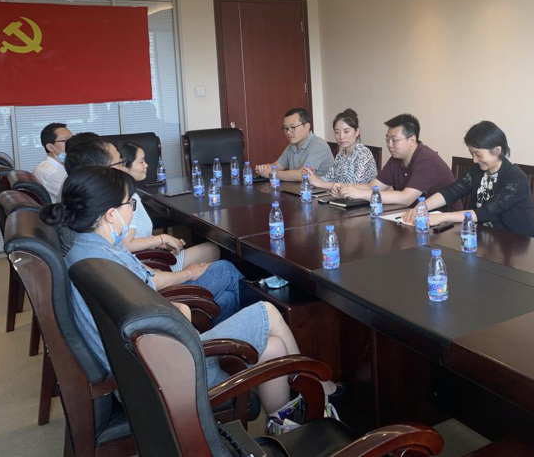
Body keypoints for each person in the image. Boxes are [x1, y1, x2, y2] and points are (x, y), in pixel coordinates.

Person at [40, 166, 338, 412]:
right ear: (110, 214)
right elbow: (160, 314)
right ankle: (320, 389)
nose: (132, 210)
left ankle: (285, 420)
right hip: (165, 372)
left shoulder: (86, 252)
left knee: (273, 348)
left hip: (143, 367)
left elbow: (145, 305)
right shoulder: (103, 264)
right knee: (268, 311)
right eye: (130, 204)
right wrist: (181, 309)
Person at [65, 135, 242, 323]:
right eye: (130, 204)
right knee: (227, 270)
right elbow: (149, 284)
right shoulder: (105, 254)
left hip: (149, 298)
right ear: (111, 214)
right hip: (158, 311)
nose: (122, 167)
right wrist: (188, 272)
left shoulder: (90, 243)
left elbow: (141, 273)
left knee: (227, 298)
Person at [401, 121, 534, 237]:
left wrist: (442, 217)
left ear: (497, 151)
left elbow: (485, 213)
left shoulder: (516, 179)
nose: (474, 160)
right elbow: (451, 192)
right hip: (486, 240)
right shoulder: (478, 171)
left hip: (518, 245)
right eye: (472, 154)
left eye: (478, 155)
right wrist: (422, 207)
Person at [115, 141, 220, 268]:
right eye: (141, 162)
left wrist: (162, 244)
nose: (146, 165)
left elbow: (136, 236)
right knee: (213, 250)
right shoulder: (128, 200)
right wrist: (162, 238)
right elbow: (127, 244)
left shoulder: (124, 194)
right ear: (124, 167)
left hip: (149, 257)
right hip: (147, 266)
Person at [332, 113, 455, 208]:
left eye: (394, 140)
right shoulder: (396, 159)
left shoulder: (427, 160)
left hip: (443, 223)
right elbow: (373, 186)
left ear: (411, 140)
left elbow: (406, 198)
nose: (389, 145)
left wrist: (359, 193)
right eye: (387, 140)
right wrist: (345, 188)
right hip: (410, 216)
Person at [256, 108, 334, 181]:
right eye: (286, 128)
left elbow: (303, 175)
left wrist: (272, 174)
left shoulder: (319, 145)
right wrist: (263, 169)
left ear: (307, 126)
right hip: (299, 188)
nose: (288, 132)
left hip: (321, 190)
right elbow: (277, 166)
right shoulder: (291, 146)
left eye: (292, 127)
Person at [306, 108, 376, 189]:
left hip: (362, 197)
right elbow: (328, 179)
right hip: (340, 196)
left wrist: (320, 183)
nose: (341, 136)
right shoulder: (340, 155)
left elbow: (352, 188)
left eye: (346, 132)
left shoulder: (363, 153)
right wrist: (313, 176)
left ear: (357, 132)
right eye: (337, 132)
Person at [32, 122, 73, 203]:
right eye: (66, 141)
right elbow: (75, 197)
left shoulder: (61, 165)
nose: (72, 143)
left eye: (72, 139)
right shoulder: (49, 172)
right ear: (50, 147)